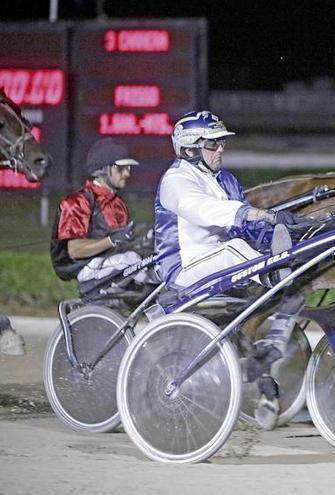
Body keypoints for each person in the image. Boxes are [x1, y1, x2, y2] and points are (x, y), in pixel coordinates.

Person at [155, 110, 304, 429]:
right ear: (190, 149)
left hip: (222, 261)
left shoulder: (225, 180)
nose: (221, 149)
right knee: (235, 250)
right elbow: (205, 210)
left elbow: (244, 228)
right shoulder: (176, 180)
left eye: (222, 143)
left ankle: (281, 277)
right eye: (213, 144)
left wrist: (279, 227)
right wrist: (258, 215)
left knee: (247, 248)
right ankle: (277, 274)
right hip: (185, 268)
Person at [50, 138, 146, 288]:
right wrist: (111, 240)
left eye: (128, 168)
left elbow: (124, 243)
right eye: (121, 168)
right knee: (132, 261)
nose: (127, 173)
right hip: (86, 267)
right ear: (103, 169)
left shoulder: (118, 203)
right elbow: (75, 250)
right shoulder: (77, 202)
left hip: (111, 262)